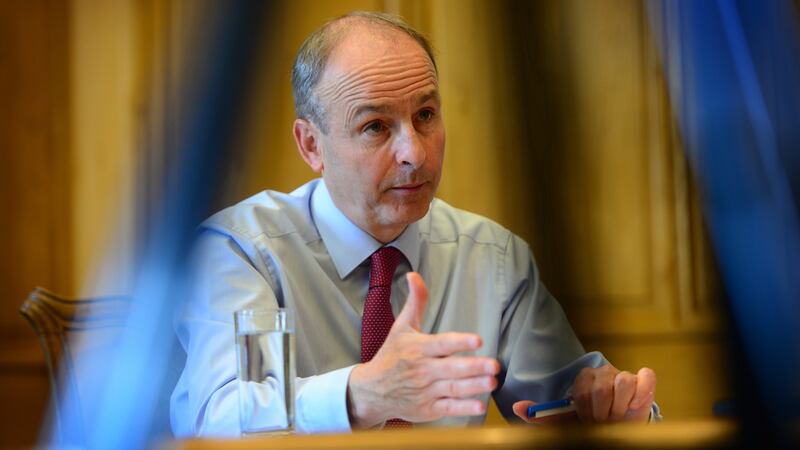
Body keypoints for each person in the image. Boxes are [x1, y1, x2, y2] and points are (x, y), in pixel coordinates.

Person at [170, 11, 658, 436]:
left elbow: (570, 401)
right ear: (311, 146)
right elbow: (216, 417)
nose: (415, 153)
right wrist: (364, 395)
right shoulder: (240, 250)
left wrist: (615, 408)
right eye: (376, 126)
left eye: (425, 114)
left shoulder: (492, 257)